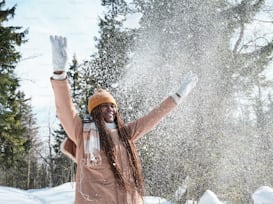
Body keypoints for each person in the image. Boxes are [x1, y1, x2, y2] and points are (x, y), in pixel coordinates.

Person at [49, 35, 198, 204]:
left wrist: (177, 97)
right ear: (95, 111)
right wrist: (59, 73)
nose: (110, 109)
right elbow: (65, 110)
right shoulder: (82, 133)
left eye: (112, 106)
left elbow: (153, 117)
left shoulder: (124, 134)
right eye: (104, 106)